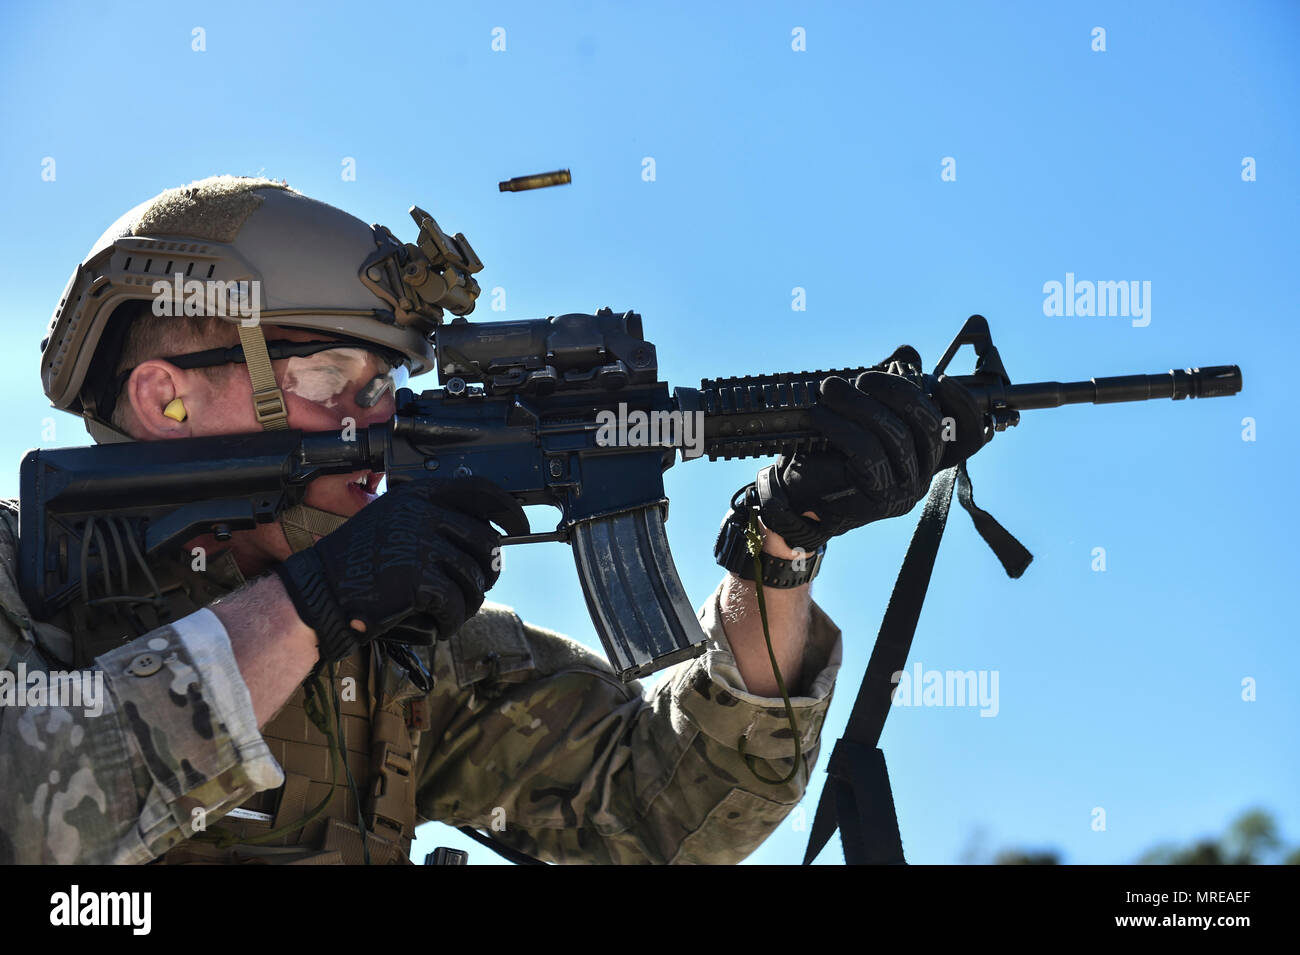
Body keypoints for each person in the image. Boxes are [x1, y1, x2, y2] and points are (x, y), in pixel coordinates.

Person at [0, 176, 986, 864]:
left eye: (382, 383)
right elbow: (25, 817)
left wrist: (779, 545)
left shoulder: (404, 650)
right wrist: (308, 608)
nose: (372, 421)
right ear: (167, 398)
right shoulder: (21, 572)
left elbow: (663, 816)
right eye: (325, 377)